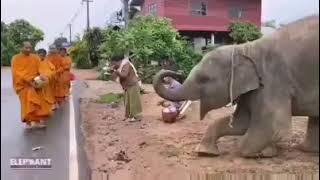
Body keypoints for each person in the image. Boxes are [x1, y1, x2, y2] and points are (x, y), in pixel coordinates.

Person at [12, 42, 52, 129]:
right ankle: (28, 122)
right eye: (26, 48)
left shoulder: (35, 57)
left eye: (30, 48)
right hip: (23, 86)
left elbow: (40, 69)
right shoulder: (16, 59)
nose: (28, 50)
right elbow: (18, 73)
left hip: (35, 84)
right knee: (27, 105)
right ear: (21, 48)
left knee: (38, 103)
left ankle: (37, 121)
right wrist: (30, 80)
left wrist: (42, 76)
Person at [110, 54, 143, 122]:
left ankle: (137, 116)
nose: (113, 65)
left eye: (114, 63)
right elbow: (114, 77)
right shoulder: (120, 66)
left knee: (134, 101)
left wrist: (116, 72)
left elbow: (124, 75)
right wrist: (113, 71)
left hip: (132, 84)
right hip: (127, 86)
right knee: (127, 102)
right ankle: (129, 116)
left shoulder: (126, 64)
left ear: (118, 61)